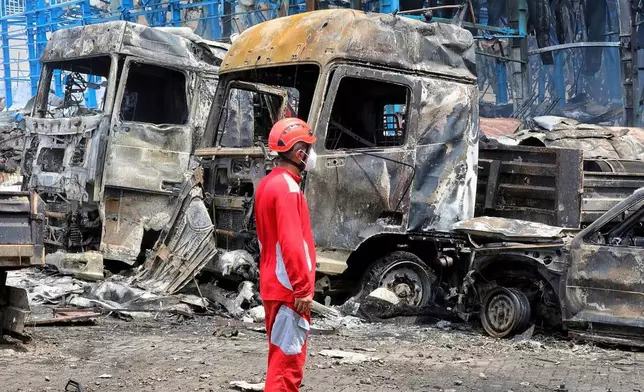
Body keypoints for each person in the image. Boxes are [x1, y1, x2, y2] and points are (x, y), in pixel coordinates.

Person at [254, 117, 318, 392]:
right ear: (298, 152)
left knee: (279, 359)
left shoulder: (268, 184)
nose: (311, 154)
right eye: (308, 148)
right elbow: (292, 243)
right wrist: (303, 288)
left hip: (273, 285)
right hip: (289, 290)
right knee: (286, 368)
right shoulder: (289, 190)